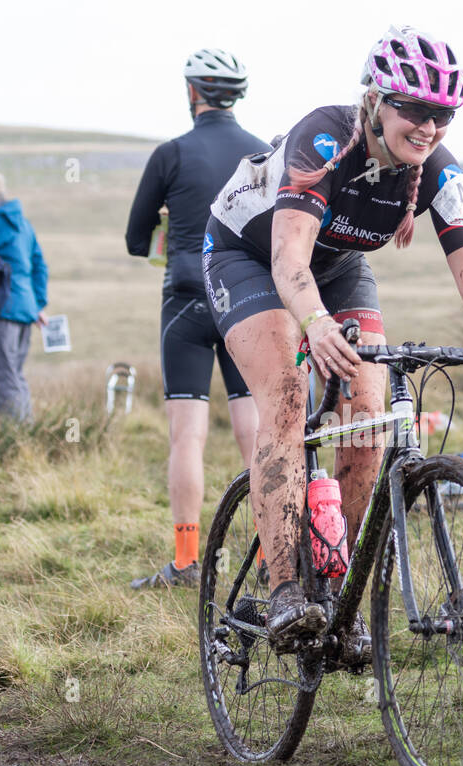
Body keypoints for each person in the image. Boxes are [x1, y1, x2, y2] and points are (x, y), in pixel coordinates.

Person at [202, 25, 463, 653]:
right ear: (377, 101)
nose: (429, 127)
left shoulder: (439, 170)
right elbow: (288, 260)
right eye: (415, 110)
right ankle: (285, 588)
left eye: (443, 114)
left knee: (369, 418)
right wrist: (312, 325)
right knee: (286, 393)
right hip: (251, 257)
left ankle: (339, 596)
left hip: (338, 269)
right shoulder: (324, 138)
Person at [125, 48, 265, 589]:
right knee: (255, 436)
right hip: (246, 301)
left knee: (188, 437)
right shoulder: (260, 153)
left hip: (185, 297)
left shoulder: (170, 154)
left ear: (192, 93)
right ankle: (269, 560)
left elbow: (137, 241)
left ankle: (186, 561)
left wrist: (169, 225)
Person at [0, 171, 47, 421]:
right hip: (26, 308)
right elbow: (40, 264)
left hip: (2, 307)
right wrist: (38, 303)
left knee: (1, 377)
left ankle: (11, 438)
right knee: (16, 374)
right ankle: (26, 429)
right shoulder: (23, 224)